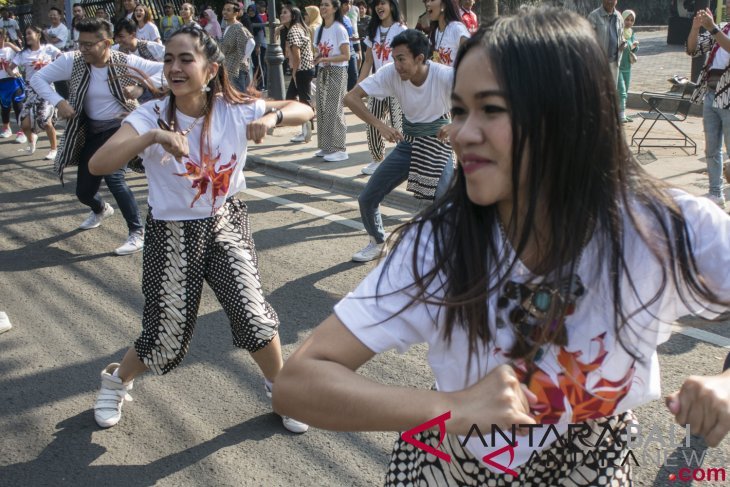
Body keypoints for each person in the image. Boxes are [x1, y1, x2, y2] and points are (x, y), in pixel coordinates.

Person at [275, 8, 730, 485]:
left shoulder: (657, 228)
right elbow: (298, 382)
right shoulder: (440, 244)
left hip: (593, 467)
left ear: (565, 115)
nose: (459, 133)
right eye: (458, 110)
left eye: (490, 109)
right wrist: (448, 409)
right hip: (454, 470)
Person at [87, 25, 314, 434]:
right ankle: (116, 380)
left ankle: (282, 390)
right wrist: (153, 137)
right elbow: (99, 164)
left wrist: (272, 116)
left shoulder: (234, 107)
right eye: (169, 59)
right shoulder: (149, 116)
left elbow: (304, 109)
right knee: (165, 336)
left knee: (254, 315)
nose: (174, 67)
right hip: (172, 232)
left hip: (225, 221)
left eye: (185, 59)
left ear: (210, 70)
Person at [30, 18, 164, 256]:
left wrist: (141, 87)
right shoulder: (73, 61)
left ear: (107, 43)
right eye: (80, 43)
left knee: (114, 177)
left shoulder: (125, 61)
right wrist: (59, 102)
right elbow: (37, 79)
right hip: (90, 129)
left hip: (122, 127)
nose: (83, 49)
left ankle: (137, 232)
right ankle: (100, 208)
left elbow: (166, 70)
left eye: (89, 44)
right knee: (83, 192)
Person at [344, 29, 454, 262]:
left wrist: (459, 123)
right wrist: (380, 125)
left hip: (439, 144)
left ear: (420, 59)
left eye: (401, 59)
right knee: (367, 198)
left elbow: (480, 98)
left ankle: (444, 254)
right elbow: (350, 98)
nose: (396, 65)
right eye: (394, 58)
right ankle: (377, 242)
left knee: (442, 204)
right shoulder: (390, 74)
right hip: (408, 143)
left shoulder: (445, 75)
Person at [688, 4, 730, 209]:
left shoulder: (718, 29)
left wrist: (713, 27)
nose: (729, 6)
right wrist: (696, 28)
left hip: (729, 98)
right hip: (711, 95)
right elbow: (692, 49)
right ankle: (716, 193)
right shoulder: (722, 28)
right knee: (711, 148)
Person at [357, 0, 406, 176]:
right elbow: (368, 60)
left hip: (398, 84)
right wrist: (358, 88)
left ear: (392, 5)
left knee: (399, 124)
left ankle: (405, 160)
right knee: (373, 123)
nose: (379, 7)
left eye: (383, 3)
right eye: (376, 4)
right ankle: (377, 159)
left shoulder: (401, 29)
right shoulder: (373, 30)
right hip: (378, 84)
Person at [7, 26, 62, 159]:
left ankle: (53, 149)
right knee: (24, 124)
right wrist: (15, 75)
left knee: (45, 120)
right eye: (26, 34)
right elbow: (10, 68)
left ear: (38, 34)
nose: (27, 36)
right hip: (30, 89)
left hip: (47, 88)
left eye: (29, 33)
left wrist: (58, 71)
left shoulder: (49, 49)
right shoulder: (22, 54)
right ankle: (32, 141)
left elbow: (63, 58)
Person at [313, 0, 350, 162]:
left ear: (335, 9)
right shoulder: (319, 29)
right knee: (322, 109)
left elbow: (346, 55)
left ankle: (340, 148)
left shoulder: (339, 29)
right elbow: (319, 51)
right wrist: (318, 58)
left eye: (327, 5)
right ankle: (326, 146)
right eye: (321, 5)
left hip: (337, 71)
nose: (323, 8)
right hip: (323, 71)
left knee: (334, 110)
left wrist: (326, 58)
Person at [279, 5, 315, 143]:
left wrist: (294, 73)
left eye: (284, 13)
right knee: (296, 98)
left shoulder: (293, 31)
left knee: (302, 100)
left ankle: (306, 130)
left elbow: (297, 56)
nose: (281, 15)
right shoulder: (299, 27)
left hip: (301, 70)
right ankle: (307, 128)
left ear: (293, 16)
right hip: (306, 69)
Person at [220, 1, 255, 93]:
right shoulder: (228, 27)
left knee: (239, 96)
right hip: (228, 67)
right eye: (224, 9)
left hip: (237, 69)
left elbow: (251, 42)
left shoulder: (238, 28)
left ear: (236, 13)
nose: (225, 12)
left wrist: (243, 59)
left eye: (228, 10)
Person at [587, 0, 624, 83]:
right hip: (598, 63)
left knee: (612, 91)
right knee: (598, 91)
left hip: (614, 62)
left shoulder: (619, 16)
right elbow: (587, 40)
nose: (610, 1)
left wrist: (622, 43)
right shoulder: (594, 16)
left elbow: (621, 36)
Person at [425, 0, 470, 66]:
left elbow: (470, 59)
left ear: (443, 5)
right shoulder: (435, 32)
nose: (427, 4)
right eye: (427, 1)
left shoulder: (457, 29)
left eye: (432, 0)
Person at [0, 27, 23, 142]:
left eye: (1, 36)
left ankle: (22, 130)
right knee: (5, 107)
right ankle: (6, 128)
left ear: (4, 37)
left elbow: (22, 53)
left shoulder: (10, 49)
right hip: (1, 82)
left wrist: (10, 44)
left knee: (18, 104)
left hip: (13, 80)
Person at [618, 9, 638, 124]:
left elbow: (634, 49)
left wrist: (635, 46)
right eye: (627, 19)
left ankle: (622, 113)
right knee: (622, 91)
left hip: (628, 67)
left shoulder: (631, 33)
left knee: (626, 89)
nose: (629, 22)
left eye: (631, 20)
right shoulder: (618, 31)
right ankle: (621, 115)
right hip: (618, 66)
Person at [247, 5, 266, 90]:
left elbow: (260, 34)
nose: (251, 12)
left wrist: (258, 46)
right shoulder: (249, 20)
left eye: (252, 11)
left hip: (260, 46)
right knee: (256, 65)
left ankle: (262, 85)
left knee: (260, 66)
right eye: (249, 11)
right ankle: (258, 84)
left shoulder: (258, 19)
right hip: (254, 46)